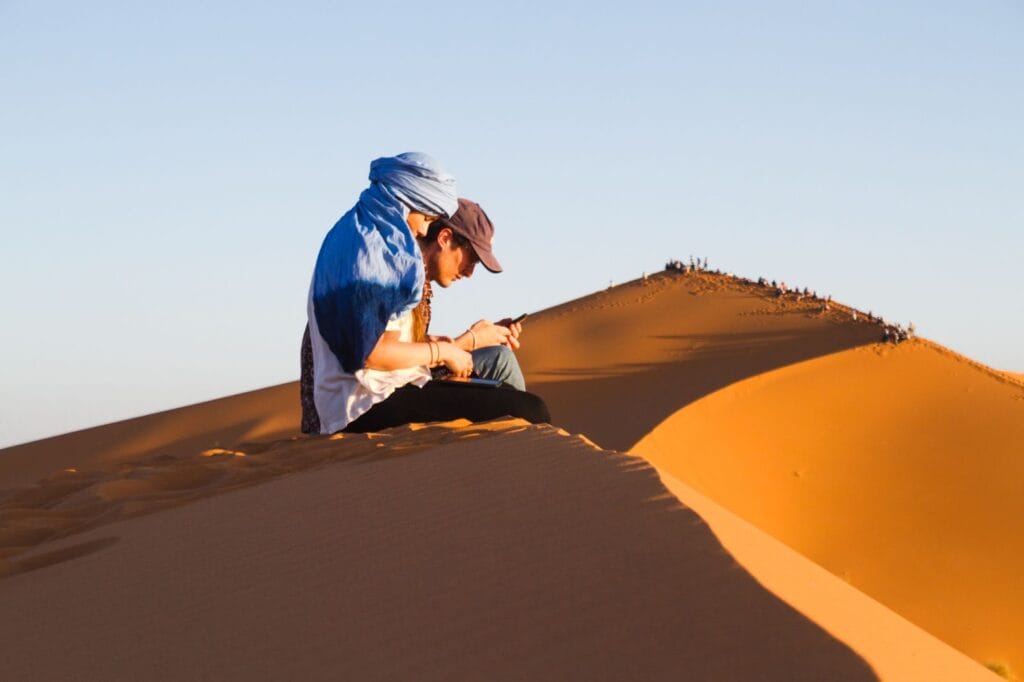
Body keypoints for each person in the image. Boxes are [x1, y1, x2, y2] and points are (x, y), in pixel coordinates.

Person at [301, 153, 548, 435]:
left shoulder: (370, 237)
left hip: (377, 388)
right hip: (362, 404)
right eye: (428, 217)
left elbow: (379, 338)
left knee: (501, 375)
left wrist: (451, 345)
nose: (424, 228)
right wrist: (446, 349)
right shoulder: (376, 250)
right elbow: (371, 353)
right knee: (530, 410)